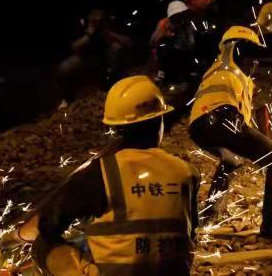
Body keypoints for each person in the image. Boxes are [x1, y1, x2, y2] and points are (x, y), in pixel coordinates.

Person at [18, 76, 200, 275]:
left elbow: (47, 224)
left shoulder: (102, 172)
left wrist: (17, 236)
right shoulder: (186, 171)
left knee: (43, 244)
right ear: (160, 121)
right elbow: (187, 231)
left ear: (116, 128)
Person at [188, 26, 272, 236]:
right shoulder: (239, 48)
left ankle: (209, 216)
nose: (256, 65)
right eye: (256, 58)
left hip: (199, 126)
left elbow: (243, 130)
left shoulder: (221, 68)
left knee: (231, 160)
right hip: (222, 118)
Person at [57, 9, 132, 105]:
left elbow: (128, 42)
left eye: (99, 20)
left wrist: (107, 32)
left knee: (117, 49)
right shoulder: (81, 25)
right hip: (85, 56)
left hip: (105, 55)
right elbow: (74, 47)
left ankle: (115, 88)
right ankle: (68, 99)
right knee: (64, 68)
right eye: (94, 20)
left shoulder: (110, 23)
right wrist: (89, 34)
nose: (97, 23)